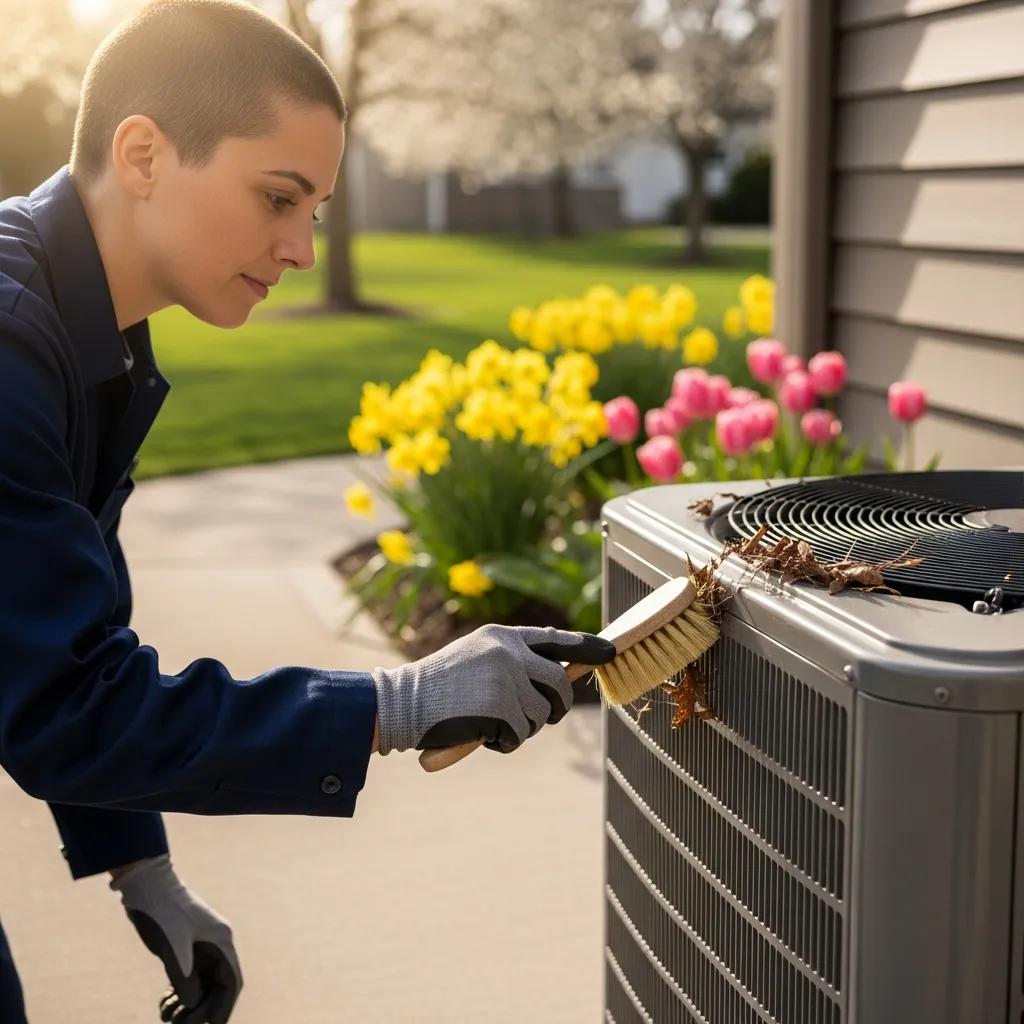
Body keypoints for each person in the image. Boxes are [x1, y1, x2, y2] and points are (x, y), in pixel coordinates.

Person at [0, 2, 617, 1021]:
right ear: (144, 154)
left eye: (315, 209)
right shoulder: (15, 349)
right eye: (277, 197)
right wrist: (396, 703)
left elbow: (57, 644)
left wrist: (138, 867)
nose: (298, 246)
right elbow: (70, 708)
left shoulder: (85, 340)